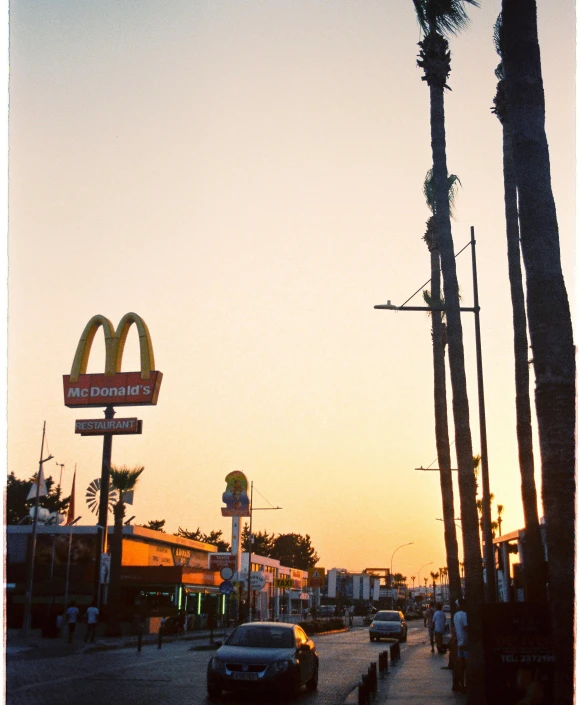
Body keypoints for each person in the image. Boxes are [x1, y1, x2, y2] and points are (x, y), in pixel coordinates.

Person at [452, 598, 468, 693]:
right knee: (466, 665)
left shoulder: (456, 615)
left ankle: (460, 684)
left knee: (460, 665)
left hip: (460, 643)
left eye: (457, 605)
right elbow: (466, 628)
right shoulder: (464, 615)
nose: (456, 606)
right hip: (465, 643)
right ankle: (465, 685)